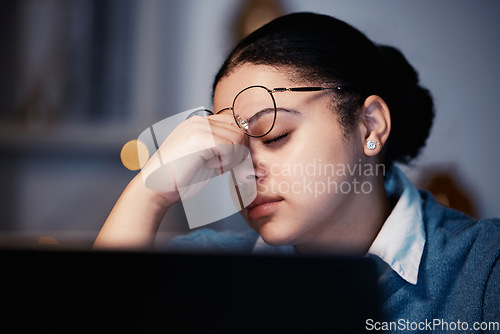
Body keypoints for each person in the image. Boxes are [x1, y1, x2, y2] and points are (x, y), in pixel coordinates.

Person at [94, 12, 499, 331]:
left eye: (276, 135)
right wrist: (150, 190)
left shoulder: (482, 269)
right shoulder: (208, 270)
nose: (246, 173)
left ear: (370, 125)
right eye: (232, 152)